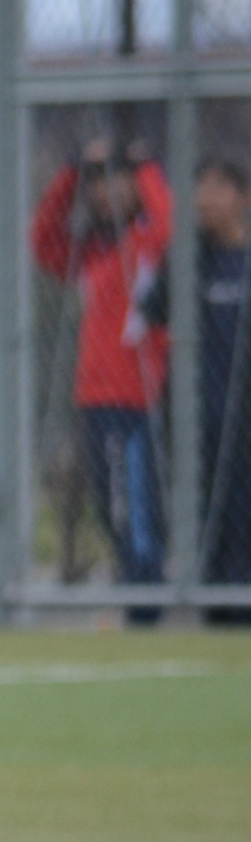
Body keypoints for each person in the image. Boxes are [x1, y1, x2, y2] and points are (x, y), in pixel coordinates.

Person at [34, 137, 177, 623]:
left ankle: (146, 607)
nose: (104, 193)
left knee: (131, 509)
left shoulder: (145, 247)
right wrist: (73, 172)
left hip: (131, 399)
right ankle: (137, 598)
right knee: (110, 507)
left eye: (114, 182)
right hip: (93, 398)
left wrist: (142, 167)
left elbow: (167, 223)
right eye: (98, 185)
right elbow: (43, 240)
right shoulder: (92, 256)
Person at [192, 158, 247, 622]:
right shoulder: (192, 260)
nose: (206, 198)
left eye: (218, 187)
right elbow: (151, 310)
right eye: (200, 188)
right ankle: (218, 611)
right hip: (202, 417)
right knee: (212, 515)